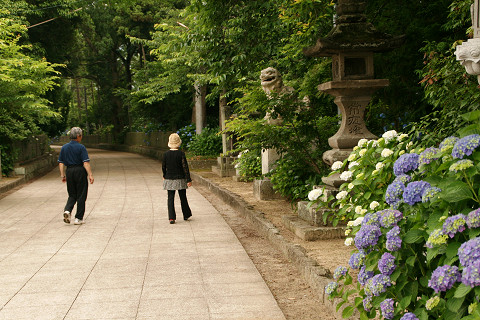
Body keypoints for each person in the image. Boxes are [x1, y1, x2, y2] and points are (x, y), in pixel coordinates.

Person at [58, 127, 94, 225]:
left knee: (72, 194)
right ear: (78, 136)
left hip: (69, 171)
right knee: (81, 194)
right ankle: (78, 218)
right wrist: (90, 175)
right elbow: (85, 163)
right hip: (79, 171)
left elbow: (61, 163)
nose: (81, 137)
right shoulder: (81, 147)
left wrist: (63, 175)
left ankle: (67, 210)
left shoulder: (64, 147)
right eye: (81, 135)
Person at [162, 133, 192, 224]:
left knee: (170, 198)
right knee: (183, 197)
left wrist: (164, 175)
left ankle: (171, 217)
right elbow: (185, 167)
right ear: (179, 143)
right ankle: (186, 214)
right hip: (180, 178)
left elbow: (163, 166)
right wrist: (188, 179)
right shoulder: (181, 154)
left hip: (169, 178)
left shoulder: (166, 154)